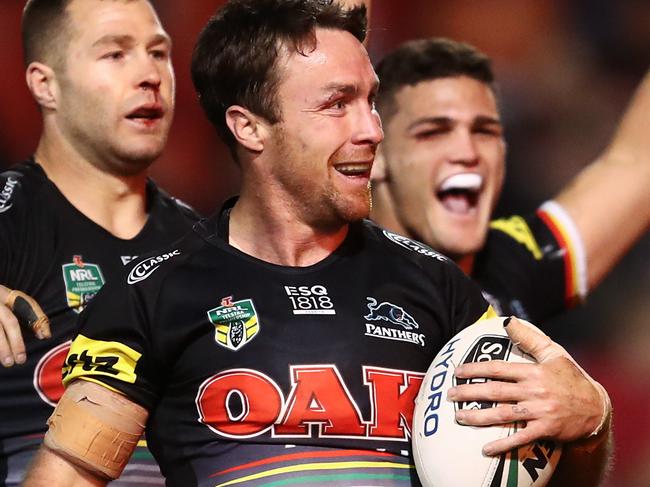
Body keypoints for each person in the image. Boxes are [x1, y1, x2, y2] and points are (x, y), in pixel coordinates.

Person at [24, 1, 610, 486]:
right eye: (336, 105)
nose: (372, 130)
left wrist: (588, 425)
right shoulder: (153, 293)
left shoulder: (442, 291)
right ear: (248, 126)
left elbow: (542, 476)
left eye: (370, 100)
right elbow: (66, 476)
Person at [0, 0, 200, 485]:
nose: (149, 75)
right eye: (115, 54)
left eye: (158, 53)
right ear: (44, 84)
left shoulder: (205, 244)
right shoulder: (8, 220)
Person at [370, 38, 650, 323]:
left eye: (485, 132)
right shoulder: (331, 263)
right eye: (434, 132)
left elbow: (636, 161)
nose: (468, 152)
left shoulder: (513, 264)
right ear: (374, 155)